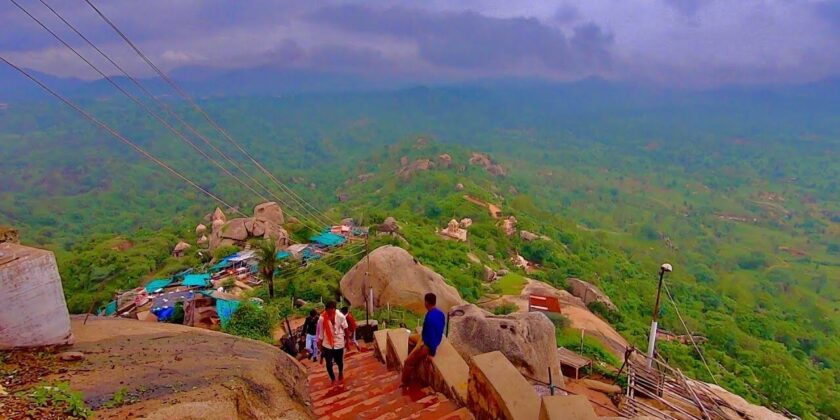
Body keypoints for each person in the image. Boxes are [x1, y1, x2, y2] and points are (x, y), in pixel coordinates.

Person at [401, 293, 445, 385]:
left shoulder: (429, 318)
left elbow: (432, 338)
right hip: (428, 338)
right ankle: (413, 358)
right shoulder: (440, 313)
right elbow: (439, 330)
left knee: (407, 362)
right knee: (411, 338)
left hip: (427, 345)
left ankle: (405, 383)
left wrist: (431, 353)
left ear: (426, 303)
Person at [317, 300, 349, 384]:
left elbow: (346, 328)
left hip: (339, 342)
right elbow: (321, 332)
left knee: (339, 362)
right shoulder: (322, 318)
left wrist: (347, 342)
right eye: (328, 312)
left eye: (332, 312)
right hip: (327, 343)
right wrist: (319, 342)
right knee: (328, 363)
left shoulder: (341, 316)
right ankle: (333, 379)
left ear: (334, 309)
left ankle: (341, 372)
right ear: (326, 310)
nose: (330, 314)